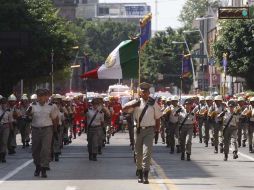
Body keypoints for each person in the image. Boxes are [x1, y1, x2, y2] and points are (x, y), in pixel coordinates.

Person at [123, 82, 162, 184]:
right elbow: (124, 109)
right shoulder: (136, 103)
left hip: (149, 130)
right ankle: (139, 173)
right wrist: (134, 104)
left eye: (146, 92)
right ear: (140, 93)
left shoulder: (153, 103)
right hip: (138, 130)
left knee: (147, 153)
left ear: (149, 93)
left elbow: (158, 118)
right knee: (138, 153)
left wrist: (157, 131)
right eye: (143, 92)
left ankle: (145, 175)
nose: (145, 94)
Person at [27, 89, 58, 178]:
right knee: (35, 150)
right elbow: (28, 116)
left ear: (46, 97)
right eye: (39, 96)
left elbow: (54, 119)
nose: (40, 98)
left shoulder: (52, 106)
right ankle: (37, 166)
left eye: (42, 96)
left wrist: (55, 131)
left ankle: (44, 169)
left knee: (45, 149)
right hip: (35, 129)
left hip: (47, 129)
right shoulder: (32, 106)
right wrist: (28, 112)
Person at [0, 97, 12, 163]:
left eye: (5, 103)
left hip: (6, 127)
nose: (4, 104)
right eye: (2, 103)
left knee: (4, 141)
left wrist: (11, 129)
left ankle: (3, 155)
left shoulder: (8, 110)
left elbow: (10, 120)